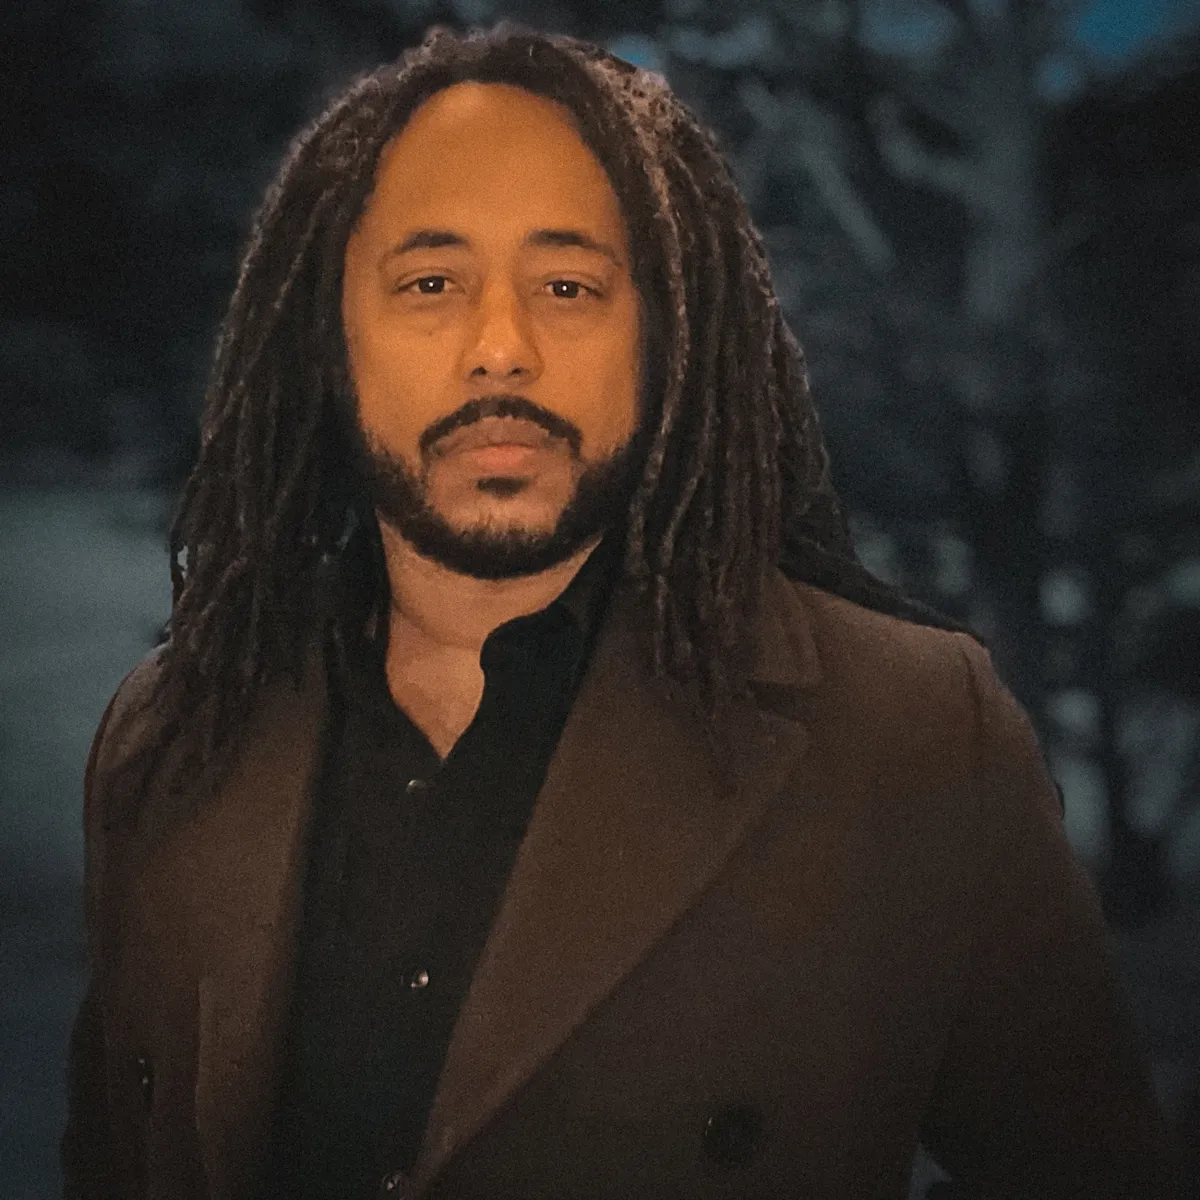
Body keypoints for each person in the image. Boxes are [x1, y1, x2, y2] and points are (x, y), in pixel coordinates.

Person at [62, 22, 1178, 1200]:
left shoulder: (913, 736)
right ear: (328, 338)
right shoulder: (170, 735)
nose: (503, 350)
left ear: (666, 337)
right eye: (430, 284)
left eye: (569, 285)